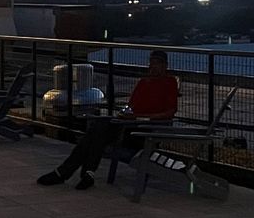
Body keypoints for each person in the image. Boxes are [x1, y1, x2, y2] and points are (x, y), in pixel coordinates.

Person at [38, 49, 179, 191]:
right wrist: (125, 113)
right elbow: (130, 105)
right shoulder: (144, 82)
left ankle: (68, 172)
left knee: (96, 132)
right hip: (128, 124)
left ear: (165, 65)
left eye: (157, 64)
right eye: (152, 63)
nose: (153, 67)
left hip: (145, 127)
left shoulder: (169, 82)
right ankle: (85, 173)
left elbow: (170, 112)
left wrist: (141, 117)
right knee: (98, 128)